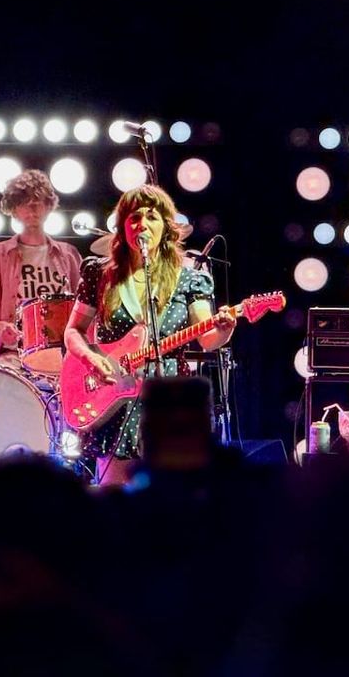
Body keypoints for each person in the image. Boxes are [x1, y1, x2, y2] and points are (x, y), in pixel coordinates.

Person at [62, 185, 235, 485]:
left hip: (169, 396)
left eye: (151, 217)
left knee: (173, 499)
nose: (141, 224)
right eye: (133, 217)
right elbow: (73, 331)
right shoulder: (99, 274)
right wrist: (90, 358)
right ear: (122, 227)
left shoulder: (190, 279)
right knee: (114, 498)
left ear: (166, 228)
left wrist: (224, 329)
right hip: (115, 393)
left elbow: (207, 338)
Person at [0, 169, 83, 370]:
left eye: (38, 200)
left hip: (64, 356)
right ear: (13, 209)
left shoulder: (70, 255)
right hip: (13, 356)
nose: (32, 207)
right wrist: (0, 328)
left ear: (48, 206)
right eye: (23, 201)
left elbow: (86, 312)